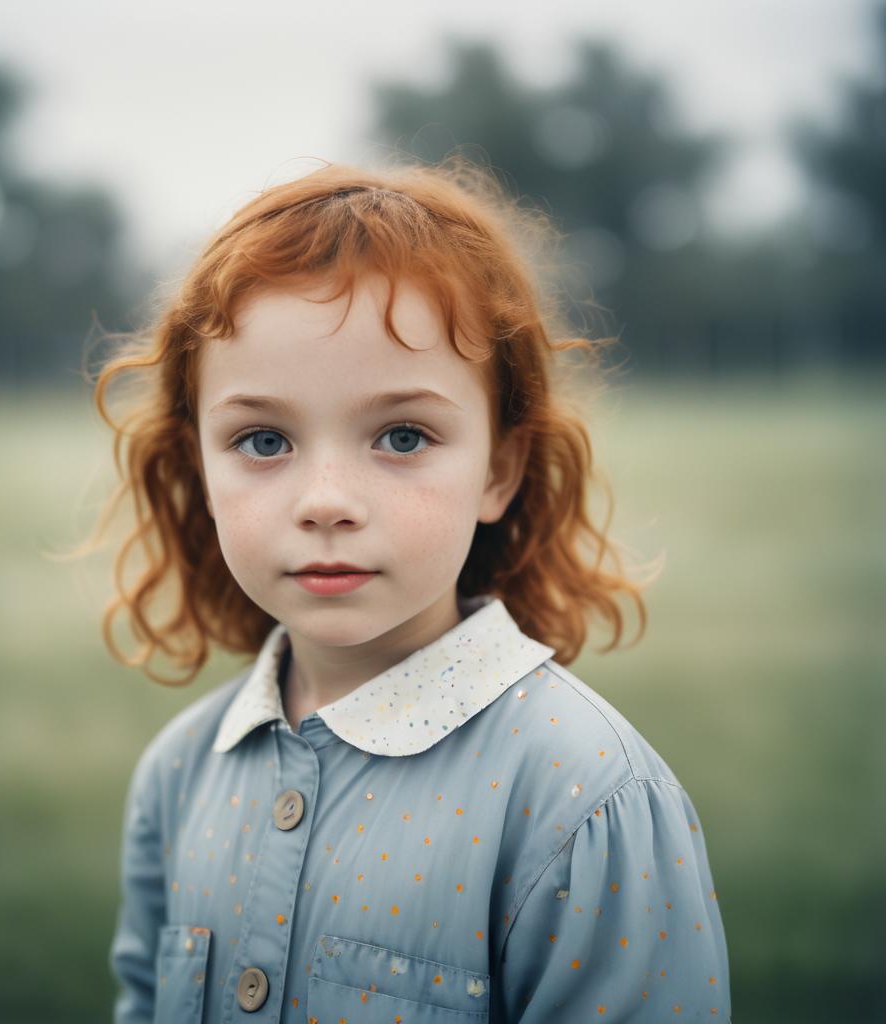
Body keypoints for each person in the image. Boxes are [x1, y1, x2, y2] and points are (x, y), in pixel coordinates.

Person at [88, 158, 731, 1022]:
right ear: (199, 468)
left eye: (400, 434)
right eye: (263, 441)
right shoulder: (178, 774)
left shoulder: (585, 798)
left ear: (499, 467)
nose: (325, 503)